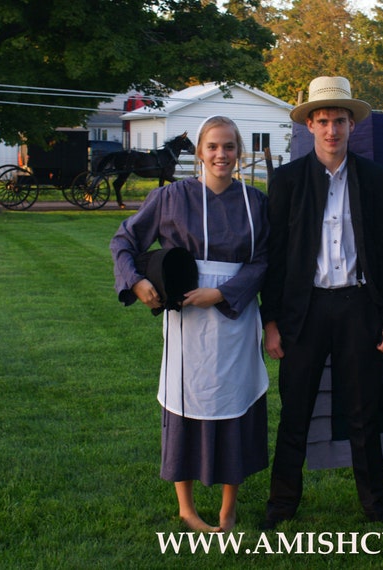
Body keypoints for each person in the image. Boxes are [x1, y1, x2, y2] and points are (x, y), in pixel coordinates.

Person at [110, 116, 270, 532]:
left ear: (239, 152)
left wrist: (221, 293)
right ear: (199, 151)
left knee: (233, 403)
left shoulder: (256, 202)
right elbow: (124, 240)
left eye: (229, 147)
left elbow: (264, 260)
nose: (221, 155)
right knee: (186, 402)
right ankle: (186, 506)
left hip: (234, 315)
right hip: (186, 322)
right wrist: (136, 280)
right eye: (213, 146)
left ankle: (228, 507)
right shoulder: (171, 198)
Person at [260, 76, 383, 528]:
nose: (331, 130)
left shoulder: (374, 180)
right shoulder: (287, 181)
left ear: (351, 125)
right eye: (322, 121)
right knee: (295, 412)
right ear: (310, 126)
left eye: (339, 121)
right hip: (305, 309)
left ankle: (376, 506)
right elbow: (274, 256)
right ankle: (281, 506)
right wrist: (272, 321)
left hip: (357, 305)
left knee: (363, 413)